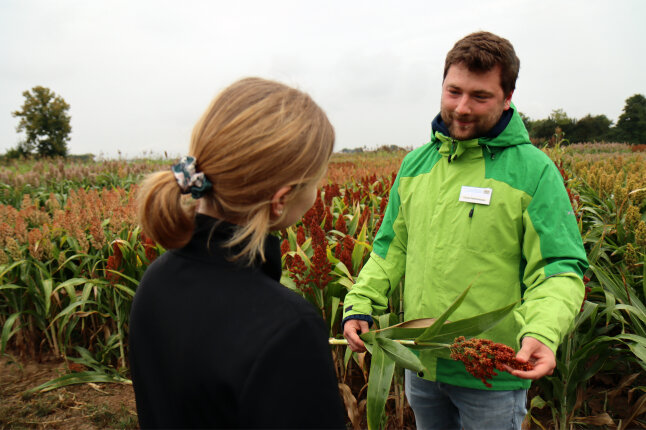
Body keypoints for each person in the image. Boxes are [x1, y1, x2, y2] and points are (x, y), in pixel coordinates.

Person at [342, 31, 588, 430]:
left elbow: (559, 268)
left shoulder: (534, 171)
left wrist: (542, 331)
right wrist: (361, 301)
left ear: (508, 97)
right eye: (453, 91)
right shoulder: (416, 165)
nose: (462, 107)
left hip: (491, 374)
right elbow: (390, 249)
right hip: (420, 363)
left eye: (480, 96)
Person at [129, 77, 345, 429]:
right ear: (281, 200)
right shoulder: (288, 328)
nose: (317, 193)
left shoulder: (156, 280)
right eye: (317, 179)